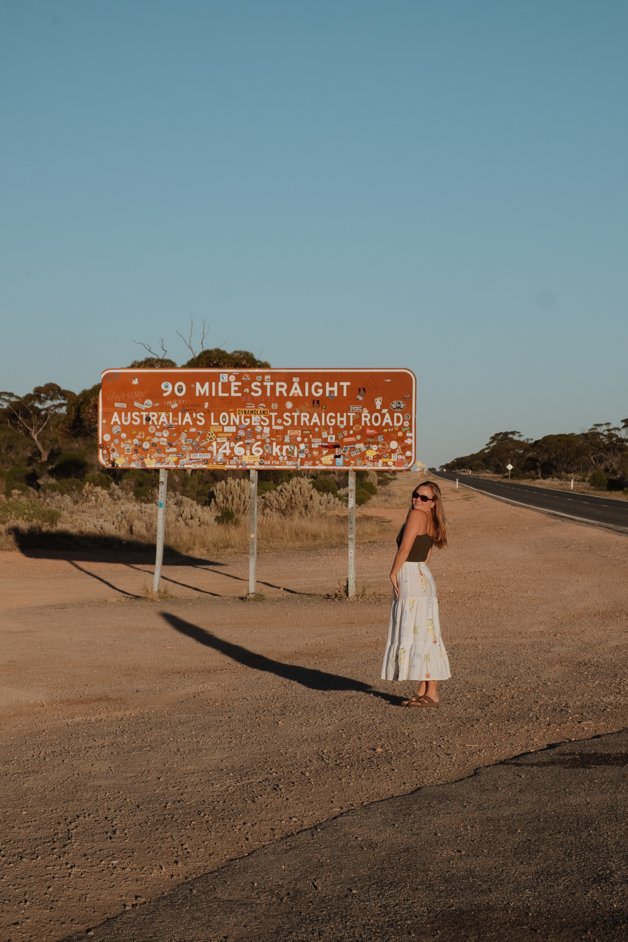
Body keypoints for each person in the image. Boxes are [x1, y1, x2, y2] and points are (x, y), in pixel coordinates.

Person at [381, 480, 450, 706]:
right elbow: (427, 555)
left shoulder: (416, 515)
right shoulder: (432, 519)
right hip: (422, 575)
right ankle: (424, 689)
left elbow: (405, 548)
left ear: (433, 502)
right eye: (415, 495)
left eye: (424, 498)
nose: (418, 500)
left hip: (411, 575)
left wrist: (394, 572)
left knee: (421, 633)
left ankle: (432, 693)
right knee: (425, 632)